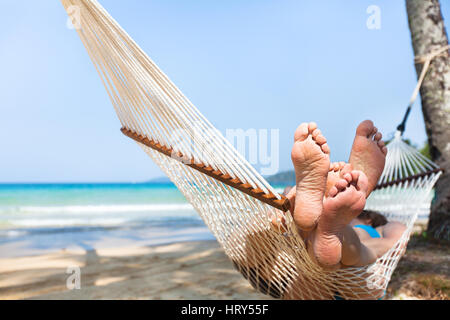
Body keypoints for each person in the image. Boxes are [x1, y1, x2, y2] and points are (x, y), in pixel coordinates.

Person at [277, 120, 407, 270]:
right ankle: (326, 229)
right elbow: (398, 243)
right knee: (368, 247)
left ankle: (305, 211)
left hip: (304, 269)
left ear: (369, 219)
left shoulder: (368, 227)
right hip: (347, 269)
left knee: (312, 239)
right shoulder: (376, 230)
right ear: (368, 219)